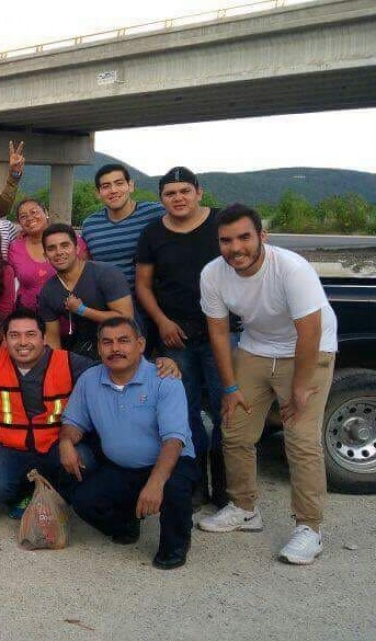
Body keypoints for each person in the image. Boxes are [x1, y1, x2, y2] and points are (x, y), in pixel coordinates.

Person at [197, 205, 338, 566]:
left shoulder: (291, 268)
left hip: (308, 350)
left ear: (262, 236)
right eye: (226, 241)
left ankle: (310, 528)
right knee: (235, 430)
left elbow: (309, 331)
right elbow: (218, 331)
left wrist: (302, 387)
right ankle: (245, 508)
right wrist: (229, 387)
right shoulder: (213, 274)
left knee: (301, 438)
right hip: (256, 348)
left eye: (244, 237)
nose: (235, 248)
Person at [58, 317, 197, 570]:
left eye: (124, 341)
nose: (115, 349)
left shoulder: (165, 379)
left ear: (140, 344)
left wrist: (155, 484)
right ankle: (127, 522)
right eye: (107, 342)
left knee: (174, 490)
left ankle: (176, 544)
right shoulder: (90, 379)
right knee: (84, 501)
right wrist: (66, 442)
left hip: (170, 463)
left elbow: (174, 440)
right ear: (99, 348)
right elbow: (73, 422)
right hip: (122, 465)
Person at [136, 167, 228, 505]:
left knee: (225, 411)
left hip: (222, 333)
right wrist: (161, 321)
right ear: (161, 199)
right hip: (175, 336)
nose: (178, 198)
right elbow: (143, 285)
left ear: (199, 192)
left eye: (184, 191)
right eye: (170, 193)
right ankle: (192, 483)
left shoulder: (221, 224)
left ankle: (226, 488)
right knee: (183, 413)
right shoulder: (152, 232)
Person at [0, 309, 98, 517]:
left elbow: (112, 368)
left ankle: (54, 495)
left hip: (55, 444)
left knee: (85, 462)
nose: (22, 342)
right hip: (11, 448)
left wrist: (160, 364)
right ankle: (27, 493)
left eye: (30, 334)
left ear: (44, 338)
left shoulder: (68, 362)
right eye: (14, 335)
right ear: (3, 340)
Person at [38, 223, 133, 359]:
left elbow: (126, 319)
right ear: (45, 255)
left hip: (123, 345)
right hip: (85, 348)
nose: (59, 252)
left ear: (77, 248)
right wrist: (58, 369)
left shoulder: (106, 274)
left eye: (65, 245)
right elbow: (53, 339)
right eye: (51, 248)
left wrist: (82, 310)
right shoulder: (48, 291)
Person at [81, 163, 165, 290]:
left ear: (130, 186)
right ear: (98, 193)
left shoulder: (156, 213)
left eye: (119, 183)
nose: (113, 190)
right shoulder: (90, 225)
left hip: (155, 303)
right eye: (106, 186)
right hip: (109, 305)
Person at [6, 198, 88, 312]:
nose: (30, 218)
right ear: (19, 223)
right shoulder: (15, 247)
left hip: (71, 313)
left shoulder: (70, 239)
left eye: (34, 212)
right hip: (30, 316)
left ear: (46, 212)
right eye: (23, 216)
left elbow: (88, 275)